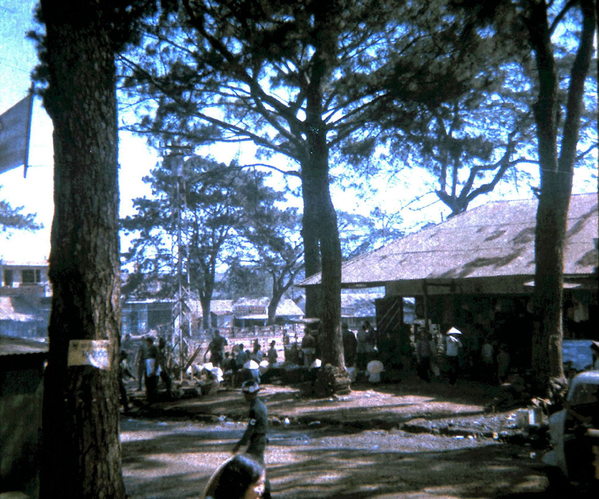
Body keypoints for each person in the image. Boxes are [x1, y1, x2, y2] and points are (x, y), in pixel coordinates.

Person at [233, 380, 269, 464]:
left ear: (251, 393)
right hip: (261, 439)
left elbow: (250, 429)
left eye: (246, 394)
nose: (244, 396)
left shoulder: (254, 409)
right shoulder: (260, 405)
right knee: (257, 463)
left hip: (257, 440)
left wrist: (240, 444)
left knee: (251, 464)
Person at [144, 336, 159, 403]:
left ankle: (153, 398)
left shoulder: (154, 348)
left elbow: (157, 358)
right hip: (149, 365)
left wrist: (155, 369)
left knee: (153, 383)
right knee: (148, 382)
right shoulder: (148, 348)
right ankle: (150, 397)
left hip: (152, 365)